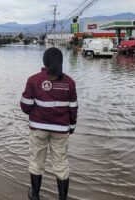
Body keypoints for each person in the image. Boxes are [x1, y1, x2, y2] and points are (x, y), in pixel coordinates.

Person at [20, 47, 78, 200]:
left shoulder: (33, 80)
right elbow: (73, 109)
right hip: (61, 130)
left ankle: (35, 196)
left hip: (38, 129)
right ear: (61, 61)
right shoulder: (70, 82)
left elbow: (25, 106)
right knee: (61, 164)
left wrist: (37, 112)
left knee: (36, 161)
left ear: (44, 62)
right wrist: (71, 127)